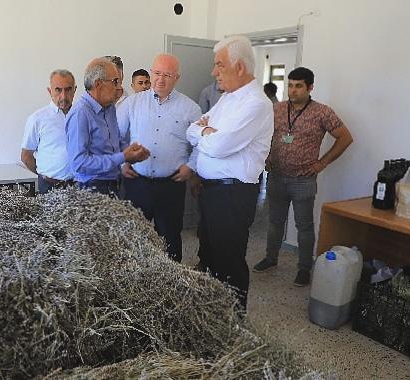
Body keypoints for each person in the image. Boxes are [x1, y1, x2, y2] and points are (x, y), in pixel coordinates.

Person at [186, 35, 273, 310]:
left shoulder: (256, 104)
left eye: (219, 65)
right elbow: (191, 130)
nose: (214, 72)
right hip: (213, 191)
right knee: (210, 257)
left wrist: (207, 133)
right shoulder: (227, 99)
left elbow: (220, 145)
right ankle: (213, 316)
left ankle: (234, 326)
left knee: (229, 263)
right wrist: (205, 131)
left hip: (232, 193)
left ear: (239, 67)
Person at [253, 67, 353, 286]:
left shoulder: (322, 112)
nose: (293, 90)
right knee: (275, 222)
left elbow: (345, 138)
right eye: (290, 85)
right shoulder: (277, 109)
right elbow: (264, 134)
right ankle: (271, 258)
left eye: (298, 86)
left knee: (304, 226)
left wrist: (322, 163)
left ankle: (304, 268)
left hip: (303, 180)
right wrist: (266, 156)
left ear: (310, 88)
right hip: (277, 176)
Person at [118, 54, 201, 262]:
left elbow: (202, 144)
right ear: (151, 72)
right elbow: (116, 136)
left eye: (167, 75)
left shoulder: (190, 108)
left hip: (170, 186)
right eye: (156, 73)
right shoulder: (132, 103)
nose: (160, 79)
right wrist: (121, 161)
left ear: (177, 78)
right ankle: (137, 282)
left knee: (170, 237)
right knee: (135, 237)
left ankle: (172, 283)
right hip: (137, 184)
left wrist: (191, 166)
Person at [65, 58, 149, 195]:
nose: (119, 87)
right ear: (98, 84)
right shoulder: (80, 114)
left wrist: (130, 150)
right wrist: (123, 157)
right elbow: (79, 163)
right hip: (90, 189)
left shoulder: (109, 108)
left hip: (113, 184)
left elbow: (115, 140)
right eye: (115, 81)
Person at [21, 69, 76, 194]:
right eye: (58, 90)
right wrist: (45, 173)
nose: (63, 95)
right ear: (50, 91)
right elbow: (26, 156)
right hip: (49, 187)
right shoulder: (37, 119)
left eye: (68, 89)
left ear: (74, 90)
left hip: (78, 187)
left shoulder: (82, 116)